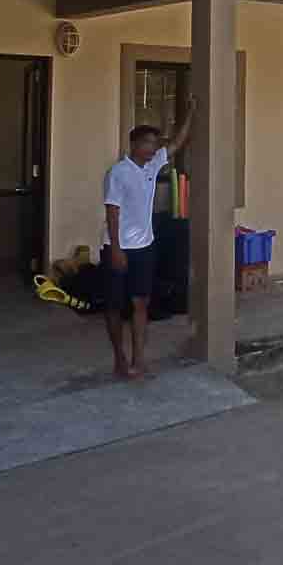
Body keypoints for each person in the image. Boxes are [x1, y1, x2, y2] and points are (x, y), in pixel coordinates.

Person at [102, 100, 194, 380]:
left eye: (155, 143)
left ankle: (139, 359)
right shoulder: (118, 173)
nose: (153, 148)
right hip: (118, 249)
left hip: (145, 248)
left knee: (140, 303)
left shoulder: (152, 166)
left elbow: (177, 143)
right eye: (148, 143)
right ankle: (119, 356)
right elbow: (112, 212)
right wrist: (117, 250)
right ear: (134, 144)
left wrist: (191, 112)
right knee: (115, 307)